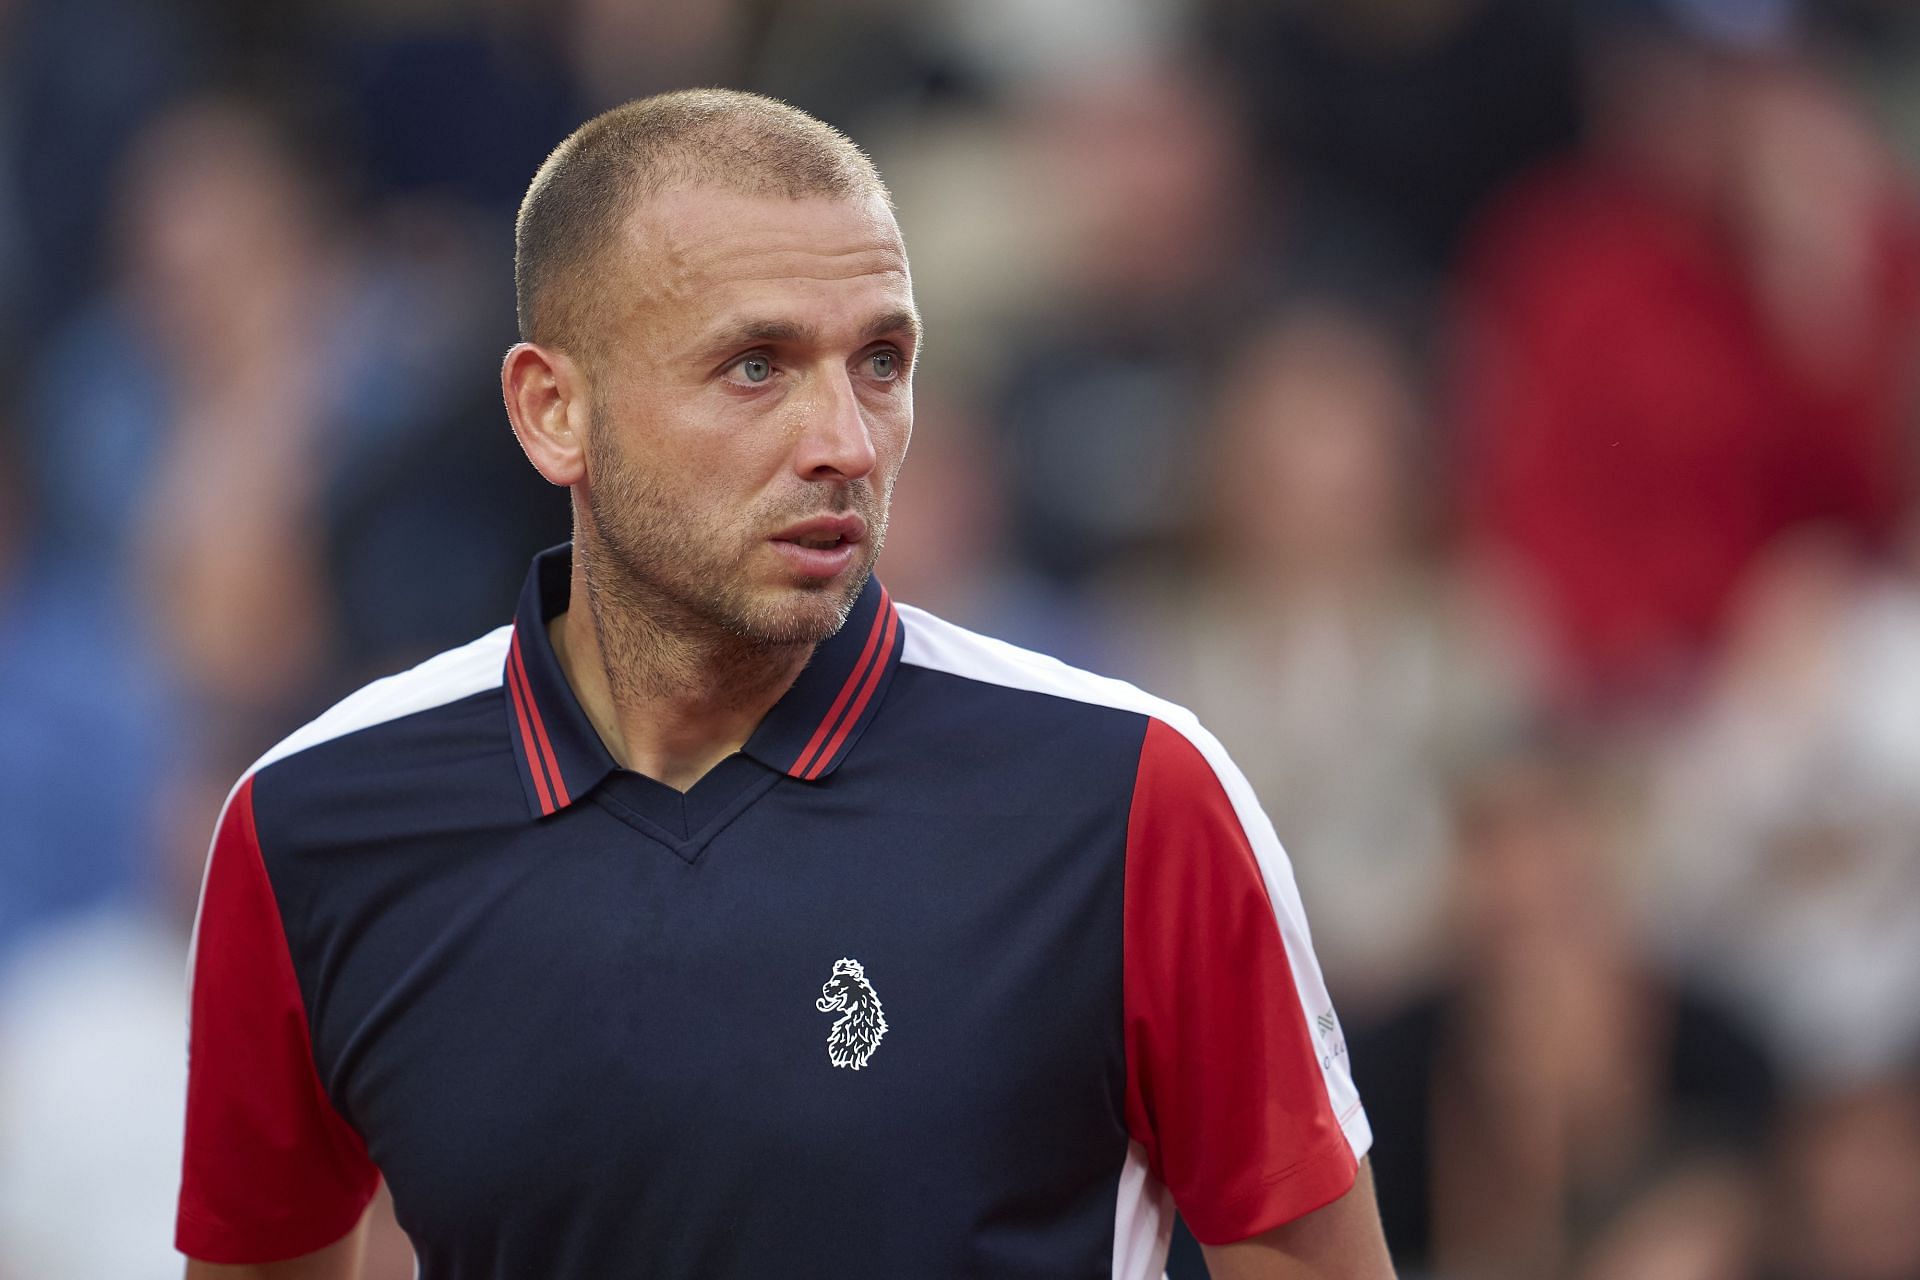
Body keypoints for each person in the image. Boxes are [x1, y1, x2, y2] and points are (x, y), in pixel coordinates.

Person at [174, 89, 1391, 1280]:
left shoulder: (1134, 797)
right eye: (756, 366)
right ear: (554, 412)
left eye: (880, 360)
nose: (847, 442)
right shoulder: (310, 825)